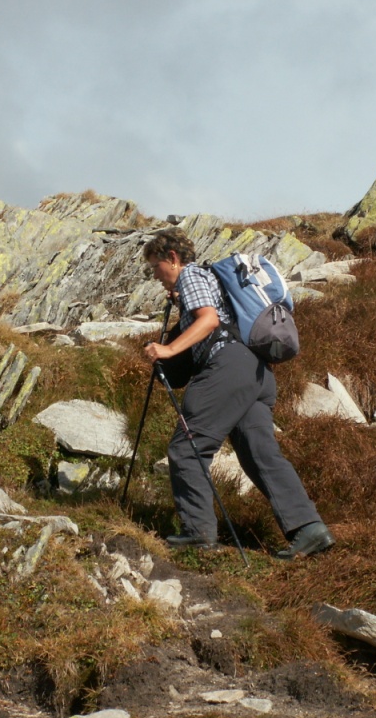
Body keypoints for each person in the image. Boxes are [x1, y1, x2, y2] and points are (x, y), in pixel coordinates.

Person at [141, 227, 334, 560]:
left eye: (154, 266)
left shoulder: (191, 275)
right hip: (256, 373)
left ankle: (198, 533)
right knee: (260, 454)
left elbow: (209, 320)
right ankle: (309, 529)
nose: (155, 275)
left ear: (172, 258)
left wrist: (168, 349)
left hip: (227, 367)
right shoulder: (203, 282)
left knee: (187, 447)